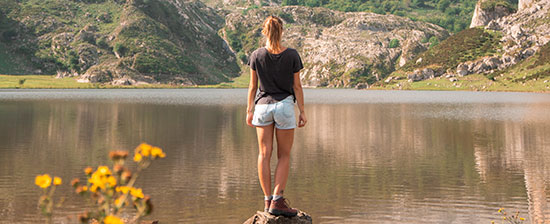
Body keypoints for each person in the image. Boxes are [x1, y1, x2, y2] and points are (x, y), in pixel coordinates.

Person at [246, 15, 307, 217]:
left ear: (264, 31)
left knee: (264, 154)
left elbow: (253, 87)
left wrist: (249, 110)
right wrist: (302, 111)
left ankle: (267, 202)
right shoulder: (292, 55)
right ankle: (277, 200)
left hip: (262, 107)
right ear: (281, 32)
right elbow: (297, 86)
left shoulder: (256, 55)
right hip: (284, 107)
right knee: (284, 155)